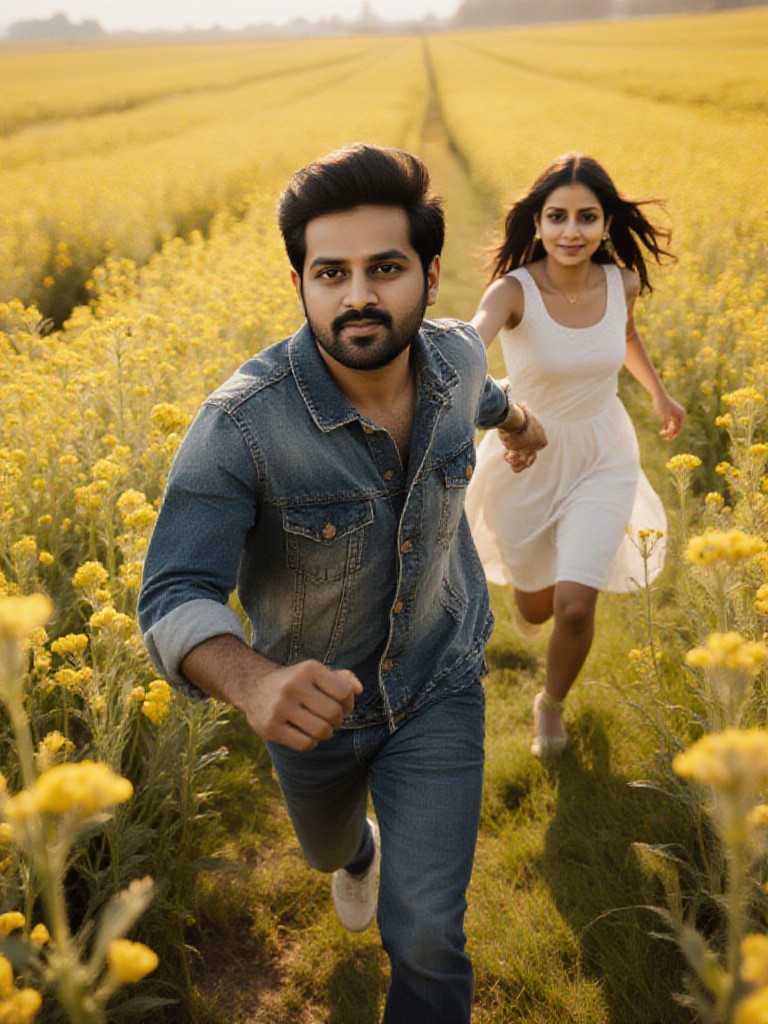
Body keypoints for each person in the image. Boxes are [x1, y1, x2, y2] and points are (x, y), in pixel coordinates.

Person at [137, 143, 546, 1023]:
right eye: (332, 273)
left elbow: (483, 393)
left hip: (440, 682)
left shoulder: (455, 359)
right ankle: (354, 853)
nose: (359, 295)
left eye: (385, 268)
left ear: (430, 277)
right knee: (326, 854)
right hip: (313, 716)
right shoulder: (240, 427)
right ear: (301, 287)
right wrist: (253, 680)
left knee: (430, 933)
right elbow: (173, 590)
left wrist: (522, 422)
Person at [465, 153, 684, 758]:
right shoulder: (513, 290)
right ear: (536, 223)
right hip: (526, 455)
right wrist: (472, 384)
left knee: (575, 606)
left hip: (604, 450)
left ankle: (550, 706)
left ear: (607, 224)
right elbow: (470, 344)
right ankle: (530, 608)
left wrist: (660, 394)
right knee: (533, 604)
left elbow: (627, 335)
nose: (571, 231)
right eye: (556, 216)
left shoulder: (622, 282)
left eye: (587, 217)